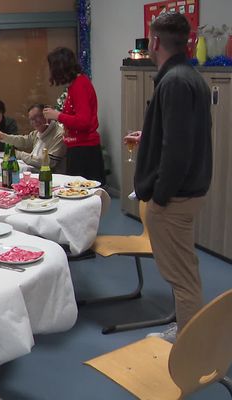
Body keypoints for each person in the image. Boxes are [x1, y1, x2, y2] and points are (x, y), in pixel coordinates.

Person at [124, 12, 212, 342]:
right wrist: (150, 135)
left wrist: (159, 196)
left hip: (174, 198)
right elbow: (180, 136)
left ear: (156, 41)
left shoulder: (174, 82)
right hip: (187, 191)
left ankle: (189, 343)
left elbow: (177, 151)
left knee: (181, 275)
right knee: (185, 269)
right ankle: (189, 330)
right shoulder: (189, 78)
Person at [42, 47, 106, 183]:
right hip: (78, 148)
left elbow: (84, 121)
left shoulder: (79, 85)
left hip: (84, 150)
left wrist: (57, 115)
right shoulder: (76, 85)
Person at [0, 103, 66, 173]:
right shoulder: (37, 133)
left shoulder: (59, 134)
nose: (34, 121)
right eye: (31, 119)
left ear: (47, 115)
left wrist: (19, 155)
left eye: (37, 117)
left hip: (50, 177)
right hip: (33, 170)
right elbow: (23, 141)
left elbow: (50, 162)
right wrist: (3, 137)